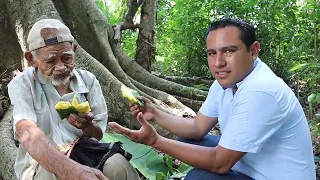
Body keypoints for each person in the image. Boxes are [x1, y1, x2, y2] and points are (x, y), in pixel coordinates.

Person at [109, 18, 316, 180]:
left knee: (199, 177)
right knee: (189, 140)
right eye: (211, 53)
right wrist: (155, 113)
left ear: (253, 51)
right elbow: (197, 128)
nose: (218, 62)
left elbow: (220, 163)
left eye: (229, 50)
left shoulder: (261, 90)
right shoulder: (226, 82)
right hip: (248, 166)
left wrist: (155, 141)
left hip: (270, 176)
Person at [8, 18, 140, 180]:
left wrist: (87, 125)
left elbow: (97, 135)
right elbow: (26, 131)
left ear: (75, 50)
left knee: (118, 165)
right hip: (40, 161)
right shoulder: (22, 84)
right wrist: (70, 170)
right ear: (31, 59)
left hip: (86, 150)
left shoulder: (88, 81)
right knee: (51, 175)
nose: (61, 66)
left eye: (66, 58)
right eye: (50, 60)